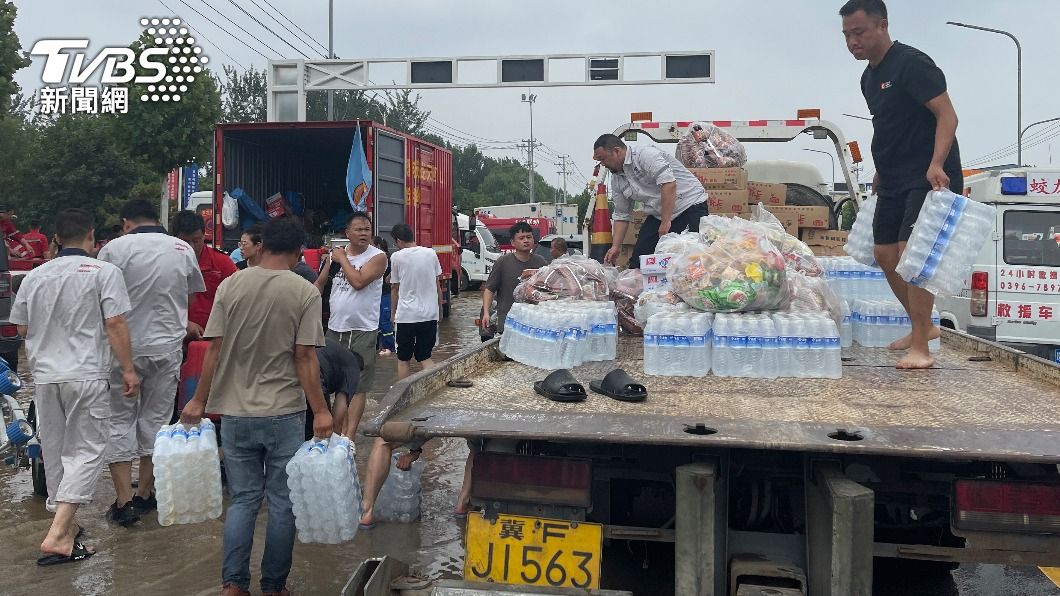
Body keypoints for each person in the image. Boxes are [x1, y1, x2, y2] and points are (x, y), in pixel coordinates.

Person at [180, 217, 333, 596]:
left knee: (244, 499)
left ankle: (233, 584)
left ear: (261, 246)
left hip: (234, 413)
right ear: (299, 252)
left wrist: (198, 400)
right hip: (283, 412)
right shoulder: (304, 292)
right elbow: (304, 358)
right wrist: (323, 411)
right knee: (282, 502)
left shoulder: (231, 284)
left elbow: (212, 348)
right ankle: (274, 587)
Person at [11, 209, 140, 566]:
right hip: (85, 373)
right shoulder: (104, 273)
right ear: (92, 236)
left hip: (46, 376)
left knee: (55, 450)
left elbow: (22, 330)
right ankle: (58, 535)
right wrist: (128, 369)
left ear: (55, 238)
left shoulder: (34, 277)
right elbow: (114, 323)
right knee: (88, 449)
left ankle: (66, 526)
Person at [841, 0, 962, 369]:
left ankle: (922, 347)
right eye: (846, 35)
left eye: (858, 33)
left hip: (927, 174)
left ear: (882, 25)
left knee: (913, 256)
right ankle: (922, 328)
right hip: (892, 177)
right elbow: (889, 126)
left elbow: (947, 115)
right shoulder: (867, 77)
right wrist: (879, 169)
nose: (852, 42)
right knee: (884, 255)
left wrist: (937, 163)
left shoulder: (912, 64)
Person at [97, 199, 205, 526]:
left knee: (119, 419)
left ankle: (123, 501)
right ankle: (145, 494)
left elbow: (102, 305)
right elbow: (188, 299)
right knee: (157, 420)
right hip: (166, 348)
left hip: (122, 350)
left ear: (126, 221)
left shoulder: (112, 250)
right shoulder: (183, 249)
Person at [314, 212, 387, 437]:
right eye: (359, 229)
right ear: (347, 233)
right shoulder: (334, 257)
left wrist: (342, 259)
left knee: (357, 386)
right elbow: (320, 285)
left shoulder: (379, 257)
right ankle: (335, 431)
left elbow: (358, 281)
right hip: (335, 327)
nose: (364, 233)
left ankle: (350, 435)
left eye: (367, 229)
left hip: (363, 329)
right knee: (332, 381)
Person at [592, 134, 709, 269]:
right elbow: (621, 215)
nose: (603, 165)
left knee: (689, 258)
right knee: (640, 259)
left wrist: (665, 222)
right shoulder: (617, 179)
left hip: (689, 205)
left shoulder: (645, 156)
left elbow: (669, 184)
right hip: (659, 214)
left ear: (617, 151)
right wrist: (616, 247)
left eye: (603, 159)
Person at [389, 223, 443, 381]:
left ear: (398, 241)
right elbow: (437, 286)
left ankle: (403, 397)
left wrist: (393, 315)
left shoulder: (397, 257)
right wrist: (439, 310)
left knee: (403, 360)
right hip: (429, 315)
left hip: (406, 316)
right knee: (425, 357)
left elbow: (394, 289)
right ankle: (434, 387)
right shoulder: (431, 253)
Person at [172, 210, 238, 339]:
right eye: (185, 241)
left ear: (204, 235)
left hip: (213, 337)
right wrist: (184, 323)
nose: (190, 247)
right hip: (174, 335)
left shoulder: (221, 262)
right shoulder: (165, 263)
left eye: (196, 240)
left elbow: (237, 299)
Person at [480, 221, 546, 338]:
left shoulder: (540, 262)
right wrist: (486, 313)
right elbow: (489, 289)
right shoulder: (503, 262)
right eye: (521, 238)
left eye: (529, 237)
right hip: (508, 321)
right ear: (513, 242)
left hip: (533, 322)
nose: (526, 240)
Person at [305, 338, 363, 440]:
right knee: (319, 433)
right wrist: (334, 443)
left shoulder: (335, 349)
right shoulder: (353, 367)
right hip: (316, 380)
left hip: (299, 371)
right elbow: (339, 410)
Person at [373, 236, 396, 355]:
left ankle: (389, 347)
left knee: (384, 321)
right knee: (376, 322)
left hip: (384, 295)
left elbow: (390, 279)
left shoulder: (386, 260)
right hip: (376, 296)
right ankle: (378, 347)